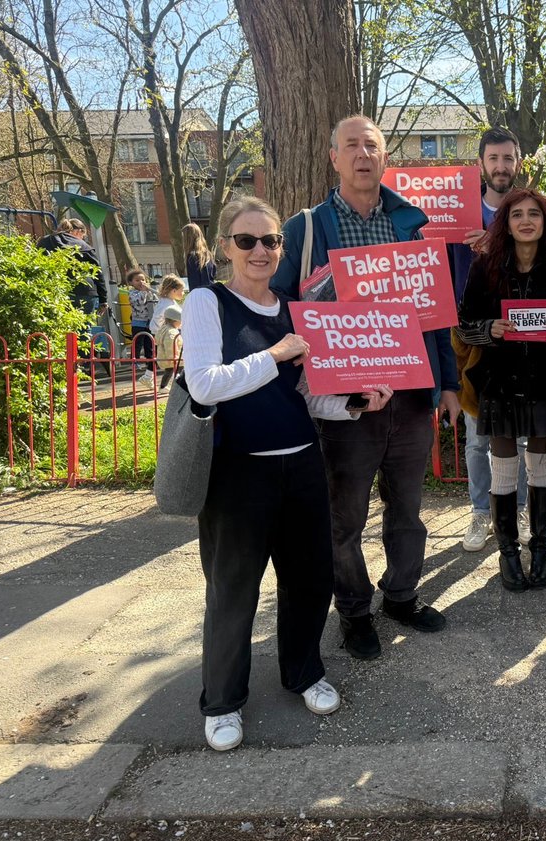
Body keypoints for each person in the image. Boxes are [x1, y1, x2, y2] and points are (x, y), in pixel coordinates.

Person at [183, 196, 391, 751]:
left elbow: (307, 397)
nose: (260, 250)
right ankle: (223, 700)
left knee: (307, 580)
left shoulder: (296, 309)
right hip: (237, 473)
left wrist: (353, 403)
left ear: (282, 247)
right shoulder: (208, 303)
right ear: (225, 246)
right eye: (247, 240)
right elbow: (205, 385)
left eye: (271, 240)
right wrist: (274, 354)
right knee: (233, 589)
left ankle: (304, 671)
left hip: (300, 464)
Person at [271, 114, 460, 661]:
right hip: (344, 401)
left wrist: (447, 382)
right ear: (333, 157)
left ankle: (401, 595)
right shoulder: (303, 230)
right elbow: (279, 310)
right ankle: (353, 610)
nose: (361, 154)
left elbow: (434, 316)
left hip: (410, 394)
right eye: (351, 145)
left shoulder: (412, 227)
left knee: (408, 508)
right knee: (344, 514)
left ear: (383, 158)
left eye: (371, 146)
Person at [456, 187, 546, 590]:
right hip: (498, 379)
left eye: (534, 214)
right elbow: (464, 325)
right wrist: (490, 329)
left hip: (541, 380)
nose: (526, 221)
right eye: (517, 214)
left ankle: (540, 549)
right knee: (503, 465)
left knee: (541, 464)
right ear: (505, 222)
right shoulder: (484, 268)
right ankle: (508, 554)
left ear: (545, 222)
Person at [452, 126, 528, 552]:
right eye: (493, 158)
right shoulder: (457, 211)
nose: (501, 166)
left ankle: (513, 506)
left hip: (519, 332)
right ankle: (481, 511)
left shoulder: (526, 209)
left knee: (516, 434)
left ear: (518, 162)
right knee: (477, 436)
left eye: (508, 158)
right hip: (470, 337)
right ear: (481, 163)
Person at [37, 218, 107, 315]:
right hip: (85, 292)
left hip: (55, 291)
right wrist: (103, 300)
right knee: (83, 327)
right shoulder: (84, 246)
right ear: (79, 231)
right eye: (83, 236)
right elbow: (98, 273)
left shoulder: (45, 241)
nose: (82, 239)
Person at [126, 268, 158, 385]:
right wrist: (144, 292)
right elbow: (139, 302)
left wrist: (149, 291)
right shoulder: (132, 293)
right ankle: (135, 360)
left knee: (149, 344)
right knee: (137, 342)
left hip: (149, 322)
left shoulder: (149, 291)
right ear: (131, 283)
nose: (141, 282)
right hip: (138, 322)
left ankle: (150, 362)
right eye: (137, 280)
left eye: (143, 279)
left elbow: (155, 300)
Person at [154, 302, 183, 390]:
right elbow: (170, 345)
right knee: (178, 371)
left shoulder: (163, 328)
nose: (181, 324)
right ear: (175, 320)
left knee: (169, 372)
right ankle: (175, 387)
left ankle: (164, 386)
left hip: (165, 357)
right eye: (180, 321)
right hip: (173, 358)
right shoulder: (172, 332)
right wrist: (173, 358)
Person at [183, 222, 217, 289]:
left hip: (199, 294)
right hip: (211, 291)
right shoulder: (208, 254)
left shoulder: (192, 257)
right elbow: (213, 275)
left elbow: (194, 282)